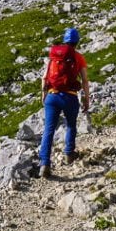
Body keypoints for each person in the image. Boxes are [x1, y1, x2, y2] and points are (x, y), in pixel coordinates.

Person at [39, 27, 90, 179]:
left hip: (52, 96)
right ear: (77, 41)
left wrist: (44, 95)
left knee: (48, 130)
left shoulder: (53, 57)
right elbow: (85, 80)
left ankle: (44, 164)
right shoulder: (78, 57)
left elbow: (44, 78)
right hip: (69, 97)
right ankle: (69, 154)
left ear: (65, 40)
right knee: (71, 125)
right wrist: (86, 99)